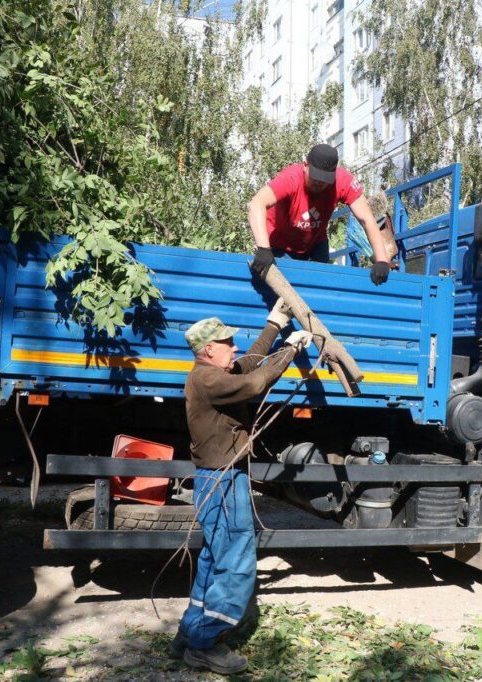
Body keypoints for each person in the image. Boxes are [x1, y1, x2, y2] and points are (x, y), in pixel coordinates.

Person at [172, 304, 312, 674]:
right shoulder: (207, 379)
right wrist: (292, 351)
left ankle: (191, 633)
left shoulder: (215, 370)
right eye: (227, 342)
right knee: (236, 564)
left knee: (214, 560)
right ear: (208, 350)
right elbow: (254, 382)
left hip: (220, 479)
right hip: (220, 482)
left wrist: (275, 326)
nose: (234, 347)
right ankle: (206, 644)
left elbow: (249, 363)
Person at [247, 143, 392, 285]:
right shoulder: (290, 178)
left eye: (324, 180)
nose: (319, 183)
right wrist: (263, 249)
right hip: (280, 245)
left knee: (320, 288)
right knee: (285, 293)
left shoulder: (343, 181)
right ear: (305, 165)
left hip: (315, 243)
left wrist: (381, 260)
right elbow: (256, 203)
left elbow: (366, 218)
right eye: (315, 178)